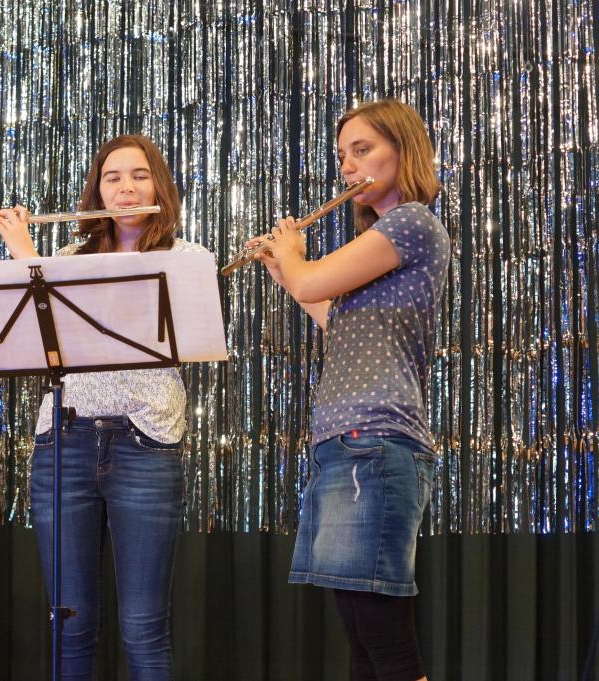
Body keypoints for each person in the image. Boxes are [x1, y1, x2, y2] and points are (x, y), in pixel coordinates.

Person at [0, 134, 207, 681]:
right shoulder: (67, 260)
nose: (126, 188)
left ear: (158, 186)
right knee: (69, 624)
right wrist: (27, 260)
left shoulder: (187, 259)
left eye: (139, 176)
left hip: (145, 443)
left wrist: (28, 257)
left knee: (144, 628)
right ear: (98, 192)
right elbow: (37, 344)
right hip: (64, 442)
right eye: (113, 178)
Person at [250, 99, 448, 681]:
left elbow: (313, 279)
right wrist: (281, 269)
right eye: (342, 156)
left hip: (377, 438)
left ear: (403, 150)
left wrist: (295, 255)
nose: (348, 167)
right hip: (346, 440)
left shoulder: (411, 222)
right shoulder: (382, 241)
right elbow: (331, 314)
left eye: (362, 150)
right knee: (362, 640)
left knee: (387, 644)